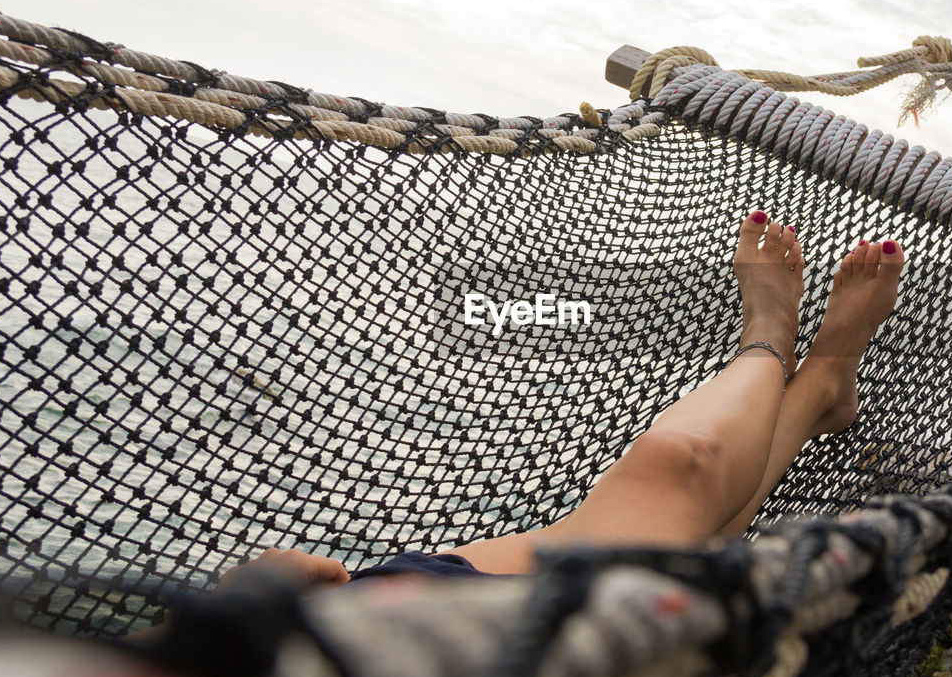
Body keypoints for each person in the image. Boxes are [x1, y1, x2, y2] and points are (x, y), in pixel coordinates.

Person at [212, 212, 904, 598]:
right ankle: (774, 337)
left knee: (672, 545)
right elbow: (309, 573)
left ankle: (819, 391)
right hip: (449, 661)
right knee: (675, 468)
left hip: (400, 630)